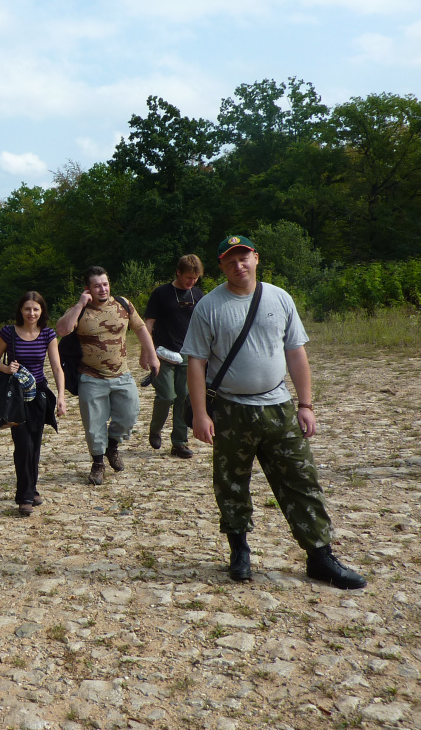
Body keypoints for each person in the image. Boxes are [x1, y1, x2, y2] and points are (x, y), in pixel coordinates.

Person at [182, 235, 366, 589]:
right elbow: (196, 363)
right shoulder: (209, 306)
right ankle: (239, 551)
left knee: (301, 480)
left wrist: (306, 404)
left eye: (244, 257)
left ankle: (320, 557)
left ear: (256, 258)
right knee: (231, 483)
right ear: (221, 266)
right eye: (230, 260)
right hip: (231, 411)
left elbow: (296, 353)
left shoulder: (279, 298)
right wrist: (201, 414)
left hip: (278, 407)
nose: (238, 265)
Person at [56, 267, 160, 485]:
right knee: (94, 425)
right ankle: (98, 464)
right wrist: (79, 304)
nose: (102, 289)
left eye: (105, 284)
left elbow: (141, 328)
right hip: (91, 377)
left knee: (130, 415)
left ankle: (112, 446)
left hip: (122, 374)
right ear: (88, 289)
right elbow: (63, 329)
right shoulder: (80, 310)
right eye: (96, 285)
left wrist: (152, 356)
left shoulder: (123, 304)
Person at [0, 292, 67, 516]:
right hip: (16, 396)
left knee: (35, 444)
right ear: (20, 311)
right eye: (27, 309)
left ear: (41, 311)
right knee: (22, 443)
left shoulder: (48, 334)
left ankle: (31, 489)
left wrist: (61, 397)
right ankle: (25, 496)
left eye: (35, 309)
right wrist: (6, 369)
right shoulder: (9, 332)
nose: (31, 313)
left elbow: (56, 368)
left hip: (39, 395)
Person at [143, 255, 205, 459]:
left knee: (184, 398)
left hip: (189, 355)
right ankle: (155, 430)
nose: (192, 282)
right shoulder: (161, 293)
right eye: (188, 277)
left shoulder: (198, 295)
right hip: (163, 353)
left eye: (195, 278)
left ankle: (179, 442)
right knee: (167, 395)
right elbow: (149, 322)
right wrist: (146, 351)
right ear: (178, 272)